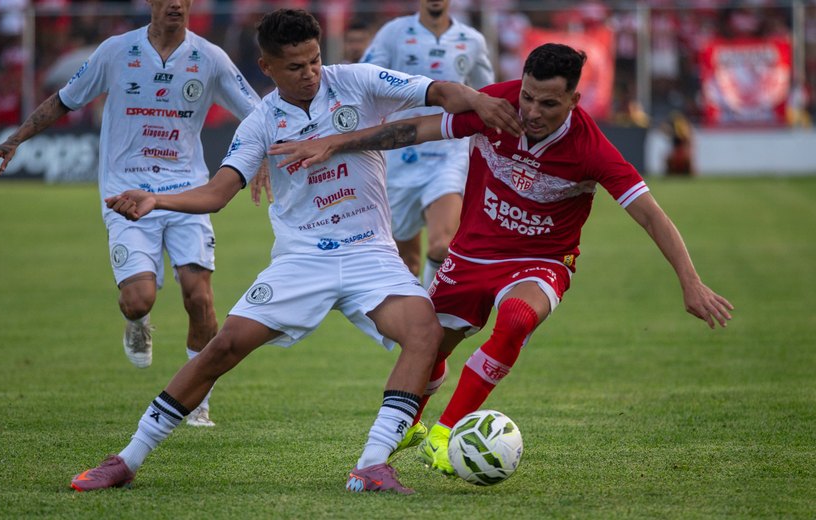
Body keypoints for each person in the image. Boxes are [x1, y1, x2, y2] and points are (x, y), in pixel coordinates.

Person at [70, 8, 523, 495]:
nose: (310, 74)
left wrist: (479, 100)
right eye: (295, 67)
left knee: (424, 332)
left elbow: (438, 93)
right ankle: (128, 457)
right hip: (303, 259)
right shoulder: (262, 122)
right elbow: (218, 193)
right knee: (222, 348)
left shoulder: (358, 81)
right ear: (266, 67)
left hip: (370, 253)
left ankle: (371, 465)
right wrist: (157, 199)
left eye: (314, 61)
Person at [268, 43, 735, 475]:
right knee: (427, 346)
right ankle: (412, 423)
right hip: (471, 254)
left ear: (574, 101)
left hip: (542, 259)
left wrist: (690, 282)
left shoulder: (591, 149)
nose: (531, 111)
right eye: (528, 97)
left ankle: (445, 433)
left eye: (548, 104)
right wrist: (335, 142)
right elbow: (416, 129)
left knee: (514, 319)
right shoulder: (498, 106)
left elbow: (651, 216)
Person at [0, 0, 261, 427]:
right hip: (125, 193)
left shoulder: (210, 57)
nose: (175, 4)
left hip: (186, 194)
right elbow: (64, 99)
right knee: (138, 300)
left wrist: (260, 162)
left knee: (199, 296)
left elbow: (260, 115)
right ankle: (138, 321)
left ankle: (198, 399)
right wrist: (15, 139)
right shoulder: (115, 51)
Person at [361, 0, 494, 287]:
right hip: (398, 157)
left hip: (448, 155)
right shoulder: (393, 33)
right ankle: (412, 321)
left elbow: (486, 95)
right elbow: (365, 80)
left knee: (441, 246)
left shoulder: (472, 40)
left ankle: (433, 313)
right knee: (405, 264)